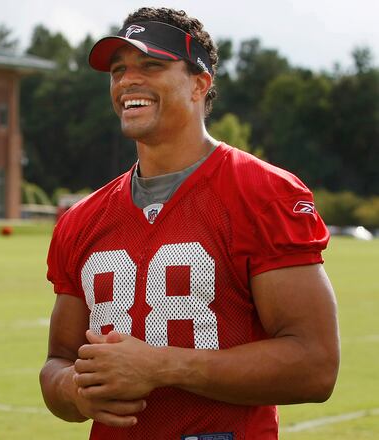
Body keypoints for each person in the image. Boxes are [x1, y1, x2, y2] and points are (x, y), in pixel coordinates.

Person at [40, 7, 339, 439]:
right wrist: (75, 389)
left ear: (200, 83)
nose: (127, 81)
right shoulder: (82, 219)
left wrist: (163, 367)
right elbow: (58, 361)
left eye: (151, 65)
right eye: (118, 70)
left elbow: (316, 365)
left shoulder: (263, 193)